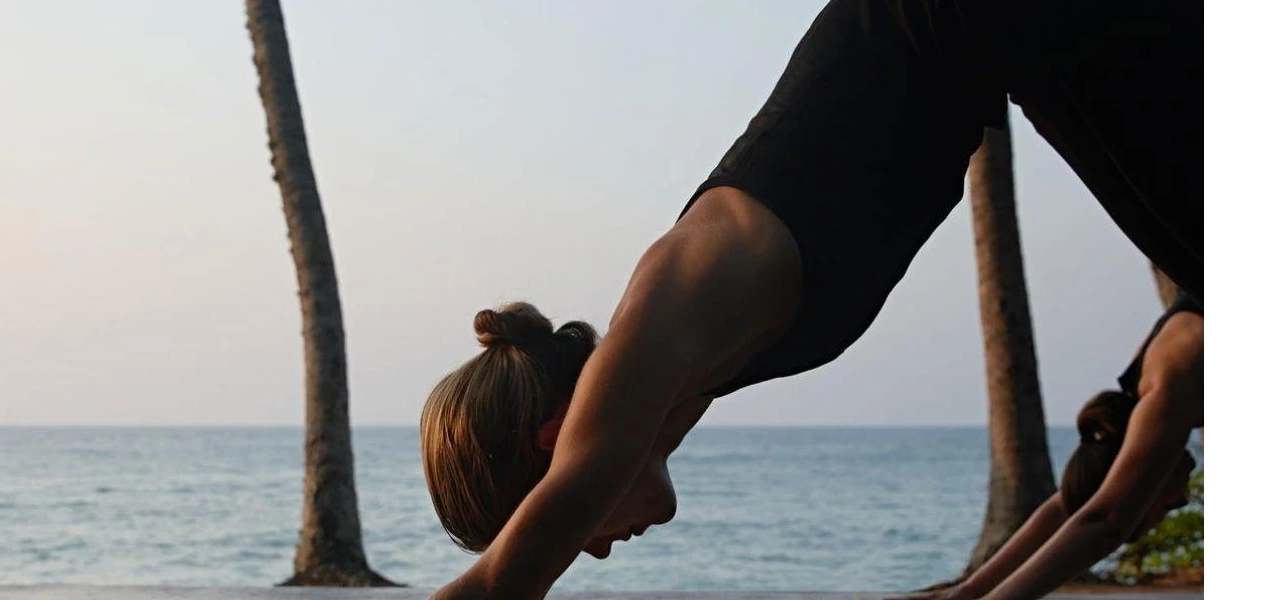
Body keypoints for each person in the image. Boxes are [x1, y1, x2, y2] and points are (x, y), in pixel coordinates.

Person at [421, 0, 1200, 597]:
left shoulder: (659, 325)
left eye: (549, 522)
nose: (583, 549)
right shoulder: (685, 370)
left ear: (559, 445)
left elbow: (499, 588)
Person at [889, 296, 1202, 600]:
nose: (1183, 497)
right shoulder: (1150, 383)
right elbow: (1068, 506)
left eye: (1169, 505)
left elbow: (1107, 520)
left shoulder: (1167, 387)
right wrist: (968, 592)